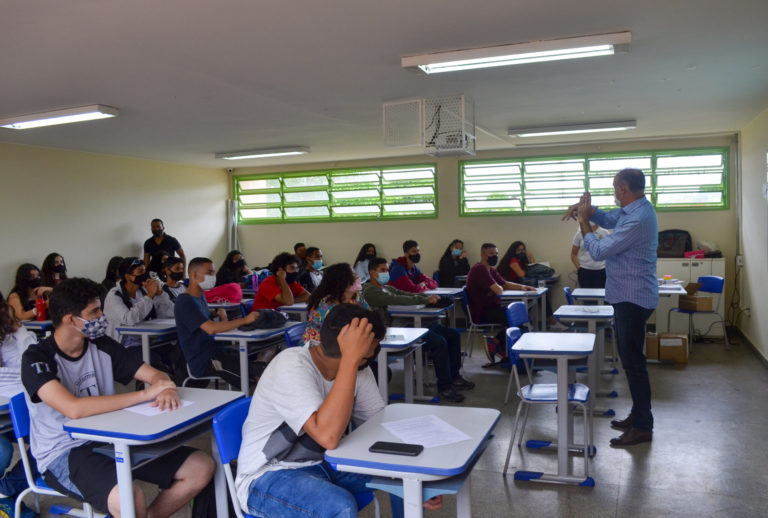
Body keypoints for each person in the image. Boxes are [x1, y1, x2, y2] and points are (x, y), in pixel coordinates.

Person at [20, 278, 216, 518]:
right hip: (65, 451)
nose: (102, 316)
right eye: (94, 311)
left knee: (201, 467)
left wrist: (165, 387)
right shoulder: (36, 358)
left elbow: (155, 375)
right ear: (69, 319)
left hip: (111, 437)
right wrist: (145, 393)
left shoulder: (101, 344)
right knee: (129, 498)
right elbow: (73, 409)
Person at [234, 304, 441, 518]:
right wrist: (351, 360)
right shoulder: (291, 364)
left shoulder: (358, 367)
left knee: (403, 475)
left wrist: (419, 470)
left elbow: (379, 421)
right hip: (268, 476)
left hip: (327, 463)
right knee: (339, 506)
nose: (375, 354)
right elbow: (328, 437)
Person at [563, 168, 658, 447]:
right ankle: (639, 415)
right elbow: (607, 217)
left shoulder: (638, 219)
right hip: (628, 295)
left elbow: (601, 250)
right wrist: (587, 209)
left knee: (633, 364)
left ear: (623, 189)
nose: (613, 191)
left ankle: (643, 426)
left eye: (615, 186)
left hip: (633, 298)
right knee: (631, 362)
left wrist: (583, 223)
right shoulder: (633, 210)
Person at [363, 258, 472, 402]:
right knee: (439, 342)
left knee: (452, 335)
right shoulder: (371, 291)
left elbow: (405, 294)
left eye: (387, 270)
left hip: (403, 327)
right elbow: (396, 299)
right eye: (382, 270)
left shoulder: (386, 287)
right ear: (372, 273)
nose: (386, 273)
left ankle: (455, 377)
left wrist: (428, 297)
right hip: (391, 333)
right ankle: (444, 388)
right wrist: (425, 300)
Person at [175, 258, 263, 388]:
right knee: (253, 375)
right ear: (194, 275)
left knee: (258, 367)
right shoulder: (185, 301)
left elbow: (204, 318)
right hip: (204, 360)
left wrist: (218, 314)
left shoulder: (200, 296)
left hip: (217, 352)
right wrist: (245, 320)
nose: (213, 276)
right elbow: (210, 329)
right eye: (209, 272)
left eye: (214, 272)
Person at [465, 243, 536, 365]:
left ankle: (498, 343)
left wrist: (524, 287)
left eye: (496, 253)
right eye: (491, 254)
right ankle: (505, 351)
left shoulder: (490, 270)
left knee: (518, 318)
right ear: (483, 255)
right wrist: (498, 286)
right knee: (515, 320)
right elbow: (499, 289)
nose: (495, 256)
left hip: (491, 307)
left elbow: (505, 284)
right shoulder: (479, 269)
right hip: (481, 311)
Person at [0, 302, 37, 518]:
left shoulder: (11, 337)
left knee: (47, 439)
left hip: (11, 411)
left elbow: (30, 363)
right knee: (2, 450)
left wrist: (20, 331)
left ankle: (7, 490)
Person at [103, 257, 174, 358]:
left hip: (147, 340)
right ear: (128, 277)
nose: (145, 274)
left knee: (175, 351)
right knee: (154, 359)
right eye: (140, 271)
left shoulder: (143, 290)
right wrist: (149, 296)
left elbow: (169, 314)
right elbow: (129, 319)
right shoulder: (114, 295)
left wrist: (160, 294)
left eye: (145, 271)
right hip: (125, 345)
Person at [301, 263, 365, 347]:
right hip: (319, 346)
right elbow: (335, 333)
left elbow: (368, 316)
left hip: (343, 342)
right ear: (343, 281)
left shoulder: (356, 298)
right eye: (353, 274)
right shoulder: (326, 305)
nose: (357, 277)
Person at [571, 224, 609, 289]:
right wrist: (579, 269)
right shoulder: (579, 233)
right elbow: (573, 254)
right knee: (587, 297)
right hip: (584, 271)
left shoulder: (605, 232)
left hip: (602, 271)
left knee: (602, 297)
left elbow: (610, 252)